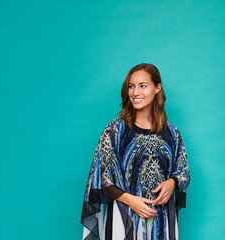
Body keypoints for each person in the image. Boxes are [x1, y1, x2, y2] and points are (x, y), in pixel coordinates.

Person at [80, 63, 190, 240]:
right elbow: (102, 177)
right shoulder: (116, 131)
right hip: (123, 217)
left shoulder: (172, 133)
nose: (135, 92)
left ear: (157, 88)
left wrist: (171, 182)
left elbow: (182, 171)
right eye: (131, 86)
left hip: (161, 218)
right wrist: (131, 200)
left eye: (142, 86)